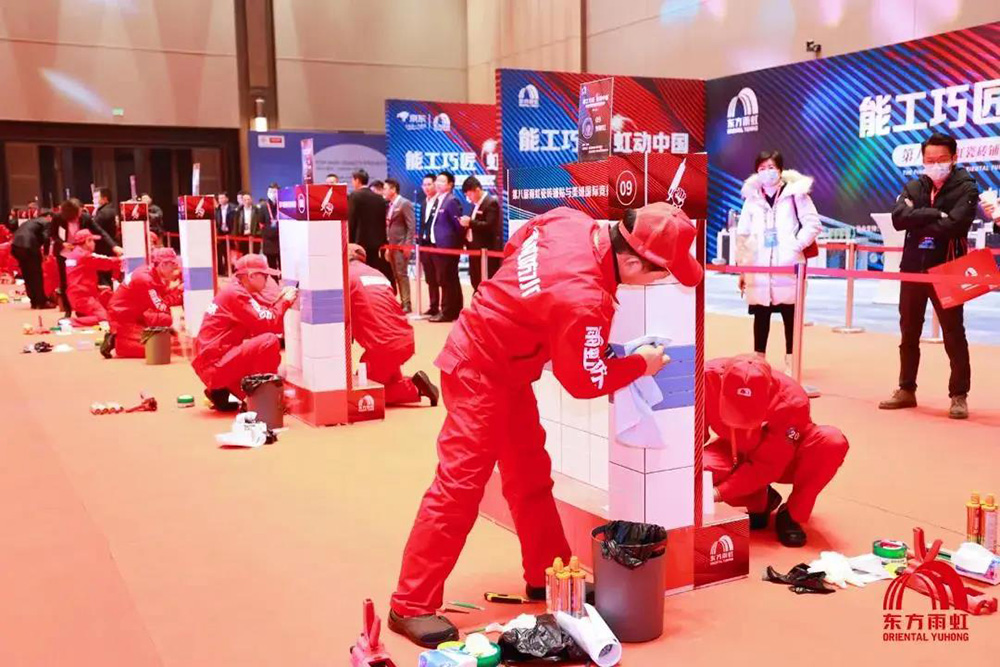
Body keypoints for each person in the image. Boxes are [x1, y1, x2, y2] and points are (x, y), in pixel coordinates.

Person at [387, 203, 701, 646]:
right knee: (458, 488)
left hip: (502, 366)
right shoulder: (587, 298)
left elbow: (517, 249)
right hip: (478, 371)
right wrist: (639, 365)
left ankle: (548, 575)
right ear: (632, 262)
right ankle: (409, 604)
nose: (660, 281)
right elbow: (583, 381)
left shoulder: (569, 220)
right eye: (660, 273)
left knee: (530, 476)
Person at [880, 132, 978, 420]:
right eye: (929, 160)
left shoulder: (966, 187)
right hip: (913, 268)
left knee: (953, 333)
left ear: (954, 158)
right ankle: (906, 389)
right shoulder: (914, 185)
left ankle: (959, 395)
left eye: (941, 159)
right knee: (908, 331)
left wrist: (919, 217)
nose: (935, 165)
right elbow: (899, 219)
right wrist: (936, 215)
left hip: (947, 268)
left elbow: (956, 226)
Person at [703, 354, 849, 548]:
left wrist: (717, 493)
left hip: (784, 457)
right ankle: (758, 500)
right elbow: (691, 440)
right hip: (734, 448)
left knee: (831, 443)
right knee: (699, 469)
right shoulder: (705, 380)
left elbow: (768, 465)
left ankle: (792, 514)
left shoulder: (792, 401)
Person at [735, 150, 821, 373]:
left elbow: (813, 224)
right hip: (759, 266)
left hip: (788, 265)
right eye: (762, 168)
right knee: (760, 314)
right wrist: (743, 268)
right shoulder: (752, 198)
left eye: (771, 167)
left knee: (790, 315)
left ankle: (793, 363)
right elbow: (743, 233)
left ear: (781, 170)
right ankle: (759, 363)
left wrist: (795, 245)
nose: (767, 172)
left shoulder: (796, 194)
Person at [192, 254, 298, 410]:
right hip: (215, 365)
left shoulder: (235, 289)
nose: (268, 279)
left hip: (212, 362)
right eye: (265, 276)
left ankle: (222, 390)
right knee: (269, 341)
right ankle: (264, 398)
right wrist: (286, 302)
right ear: (252, 276)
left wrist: (280, 299)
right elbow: (269, 324)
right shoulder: (236, 293)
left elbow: (263, 312)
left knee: (259, 347)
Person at [348, 245, 438, 406]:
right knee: (381, 374)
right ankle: (412, 382)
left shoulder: (344, 278)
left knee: (364, 394)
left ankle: (414, 388)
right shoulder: (377, 273)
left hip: (382, 347)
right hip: (403, 338)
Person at [102, 248, 183, 359]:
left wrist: (178, 291)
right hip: (122, 318)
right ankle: (117, 341)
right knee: (157, 348)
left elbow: (162, 297)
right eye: (173, 265)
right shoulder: (145, 279)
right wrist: (178, 291)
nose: (175, 269)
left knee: (165, 320)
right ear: (163, 264)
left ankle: (125, 337)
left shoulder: (152, 274)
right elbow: (161, 306)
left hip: (136, 315)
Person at [50, 199, 122, 317]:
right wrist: (62, 243)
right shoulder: (58, 217)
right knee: (64, 281)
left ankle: (82, 309)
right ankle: (68, 310)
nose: (80, 215)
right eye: (78, 213)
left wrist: (114, 246)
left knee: (87, 277)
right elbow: (52, 234)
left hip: (80, 250)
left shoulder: (85, 217)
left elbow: (101, 232)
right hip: (65, 252)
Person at [65, 229, 123, 326]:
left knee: (108, 296)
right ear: (87, 241)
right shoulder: (84, 255)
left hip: (77, 294)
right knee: (104, 319)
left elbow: (79, 276)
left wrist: (97, 287)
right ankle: (69, 322)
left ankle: (83, 316)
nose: (94, 244)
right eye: (92, 241)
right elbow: (106, 262)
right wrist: (123, 259)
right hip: (83, 296)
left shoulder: (73, 254)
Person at [429, 171, 464, 322]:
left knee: (447, 279)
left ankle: (447, 312)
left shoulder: (451, 201)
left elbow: (459, 226)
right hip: (438, 246)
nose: (438, 183)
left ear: (450, 185)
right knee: (448, 278)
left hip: (448, 247)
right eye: (437, 180)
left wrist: (455, 245)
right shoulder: (438, 200)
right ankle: (454, 310)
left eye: (442, 181)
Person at [348, 168, 394, 284]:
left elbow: (352, 220)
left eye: (353, 180)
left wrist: (349, 241)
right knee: (374, 272)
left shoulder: (355, 196)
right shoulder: (379, 198)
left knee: (361, 274)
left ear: (357, 180)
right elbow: (382, 222)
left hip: (359, 244)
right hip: (377, 244)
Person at [460, 176, 502, 292]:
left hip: (486, 251)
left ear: (477, 190)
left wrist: (470, 222)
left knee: (485, 283)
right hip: (475, 250)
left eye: (469, 195)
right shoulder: (476, 204)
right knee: (475, 281)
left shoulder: (491, 203)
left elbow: (489, 226)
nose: (468, 198)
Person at [384, 178, 415, 313]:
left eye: (385, 188)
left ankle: (407, 303)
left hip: (401, 246)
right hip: (391, 246)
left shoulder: (404, 203)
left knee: (402, 275)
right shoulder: (390, 205)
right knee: (396, 275)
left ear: (393, 189)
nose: (384, 191)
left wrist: (407, 245)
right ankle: (402, 302)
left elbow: (411, 226)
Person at [11, 211, 53, 309]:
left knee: (27, 274)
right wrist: (46, 253)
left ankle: (33, 301)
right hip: (29, 246)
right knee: (36, 275)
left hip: (16, 246)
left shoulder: (30, 222)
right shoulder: (46, 221)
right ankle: (41, 302)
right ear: (49, 216)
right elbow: (46, 238)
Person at [417, 173, 442, 317]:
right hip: (425, 244)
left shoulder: (440, 201)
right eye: (424, 185)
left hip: (437, 245)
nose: (426, 187)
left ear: (435, 185)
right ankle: (433, 306)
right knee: (430, 277)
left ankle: (445, 308)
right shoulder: (423, 203)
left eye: (429, 184)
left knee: (441, 277)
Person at [93, 187, 119, 286]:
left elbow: (94, 227)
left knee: (103, 277)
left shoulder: (105, 212)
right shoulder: (107, 210)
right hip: (107, 247)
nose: (94, 200)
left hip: (103, 248)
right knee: (106, 276)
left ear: (104, 199)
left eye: (96, 197)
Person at [260, 183, 281, 271]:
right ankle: (273, 279)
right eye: (270, 191)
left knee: (283, 265)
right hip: (269, 240)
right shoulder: (264, 206)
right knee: (272, 266)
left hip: (280, 239)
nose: (272, 194)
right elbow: (261, 223)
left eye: (274, 192)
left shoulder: (282, 204)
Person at [215, 192, 237, 274]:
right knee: (219, 253)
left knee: (229, 253)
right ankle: (220, 271)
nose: (220, 200)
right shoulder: (217, 209)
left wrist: (233, 234)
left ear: (227, 199)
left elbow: (235, 222)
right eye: (219, 198)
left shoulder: (233, 208)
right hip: (220, 234)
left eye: (222, 198)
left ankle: (229, 270)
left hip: (230, 233)